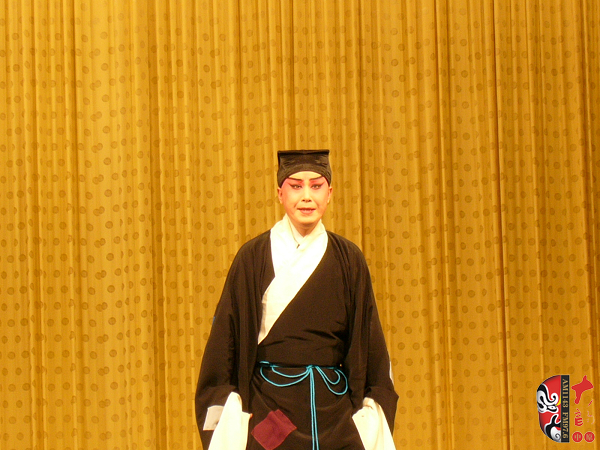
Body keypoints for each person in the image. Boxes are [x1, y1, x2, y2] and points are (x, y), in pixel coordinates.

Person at [195, 150, 398, 450]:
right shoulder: (252, 258)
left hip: (334, 412)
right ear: (280, 193)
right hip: (269, 407)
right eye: (295, 186)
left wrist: (366, 409)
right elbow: (225, 344)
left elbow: (368, 343)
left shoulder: (349, 259)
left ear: (330, 193)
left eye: (316, 186)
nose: (306, 197)